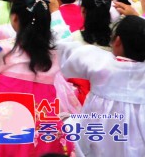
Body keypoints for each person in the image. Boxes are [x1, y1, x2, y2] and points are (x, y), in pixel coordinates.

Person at [0, 0, 79, 156]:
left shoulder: (2, 50)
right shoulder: (55, 53)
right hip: (45, 130)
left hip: (7, 128)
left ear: (14, 19)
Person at [61, 15, 145, 157]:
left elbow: (65, 52)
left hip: (96, 140)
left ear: (117, 41)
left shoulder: (100, 62)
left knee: (64, 124)